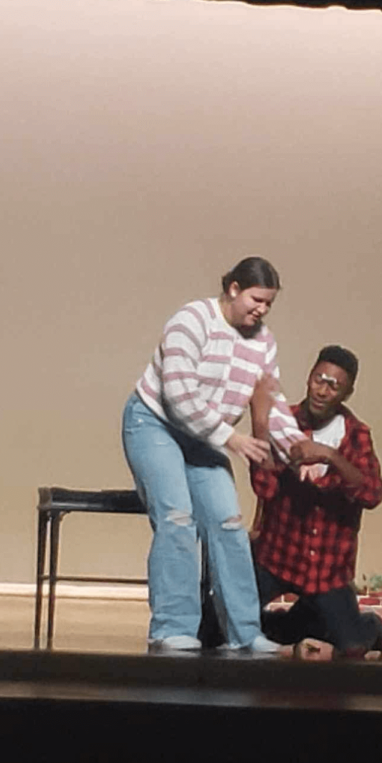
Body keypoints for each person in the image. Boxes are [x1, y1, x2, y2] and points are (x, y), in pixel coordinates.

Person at [122, 257, 305, 654]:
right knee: (176, 517)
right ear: (234, 289)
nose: (262, 309)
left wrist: (296, 449)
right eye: (257, 299)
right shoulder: (192, 320)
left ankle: (244, 633)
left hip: (207, 437)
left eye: (269, 303)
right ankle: (171, 627)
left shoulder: (263, 342)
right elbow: (179, 396)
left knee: (228, 525)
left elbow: (271, 402)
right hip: (156, 424)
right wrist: (231, 439)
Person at [248, 344, 382, 658]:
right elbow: (264, 486)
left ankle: (374, 627)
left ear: (347, 392)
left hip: (327, 569)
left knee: (353, 645)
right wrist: (260, 424)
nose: (323, 390)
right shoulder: (285, 422)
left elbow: (372, 493)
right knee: (227, 627)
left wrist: (330, 456)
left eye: (334, 385)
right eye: (319, 379)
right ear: (309, 377)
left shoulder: (356, 434)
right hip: (278, 557)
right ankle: (302, 620)